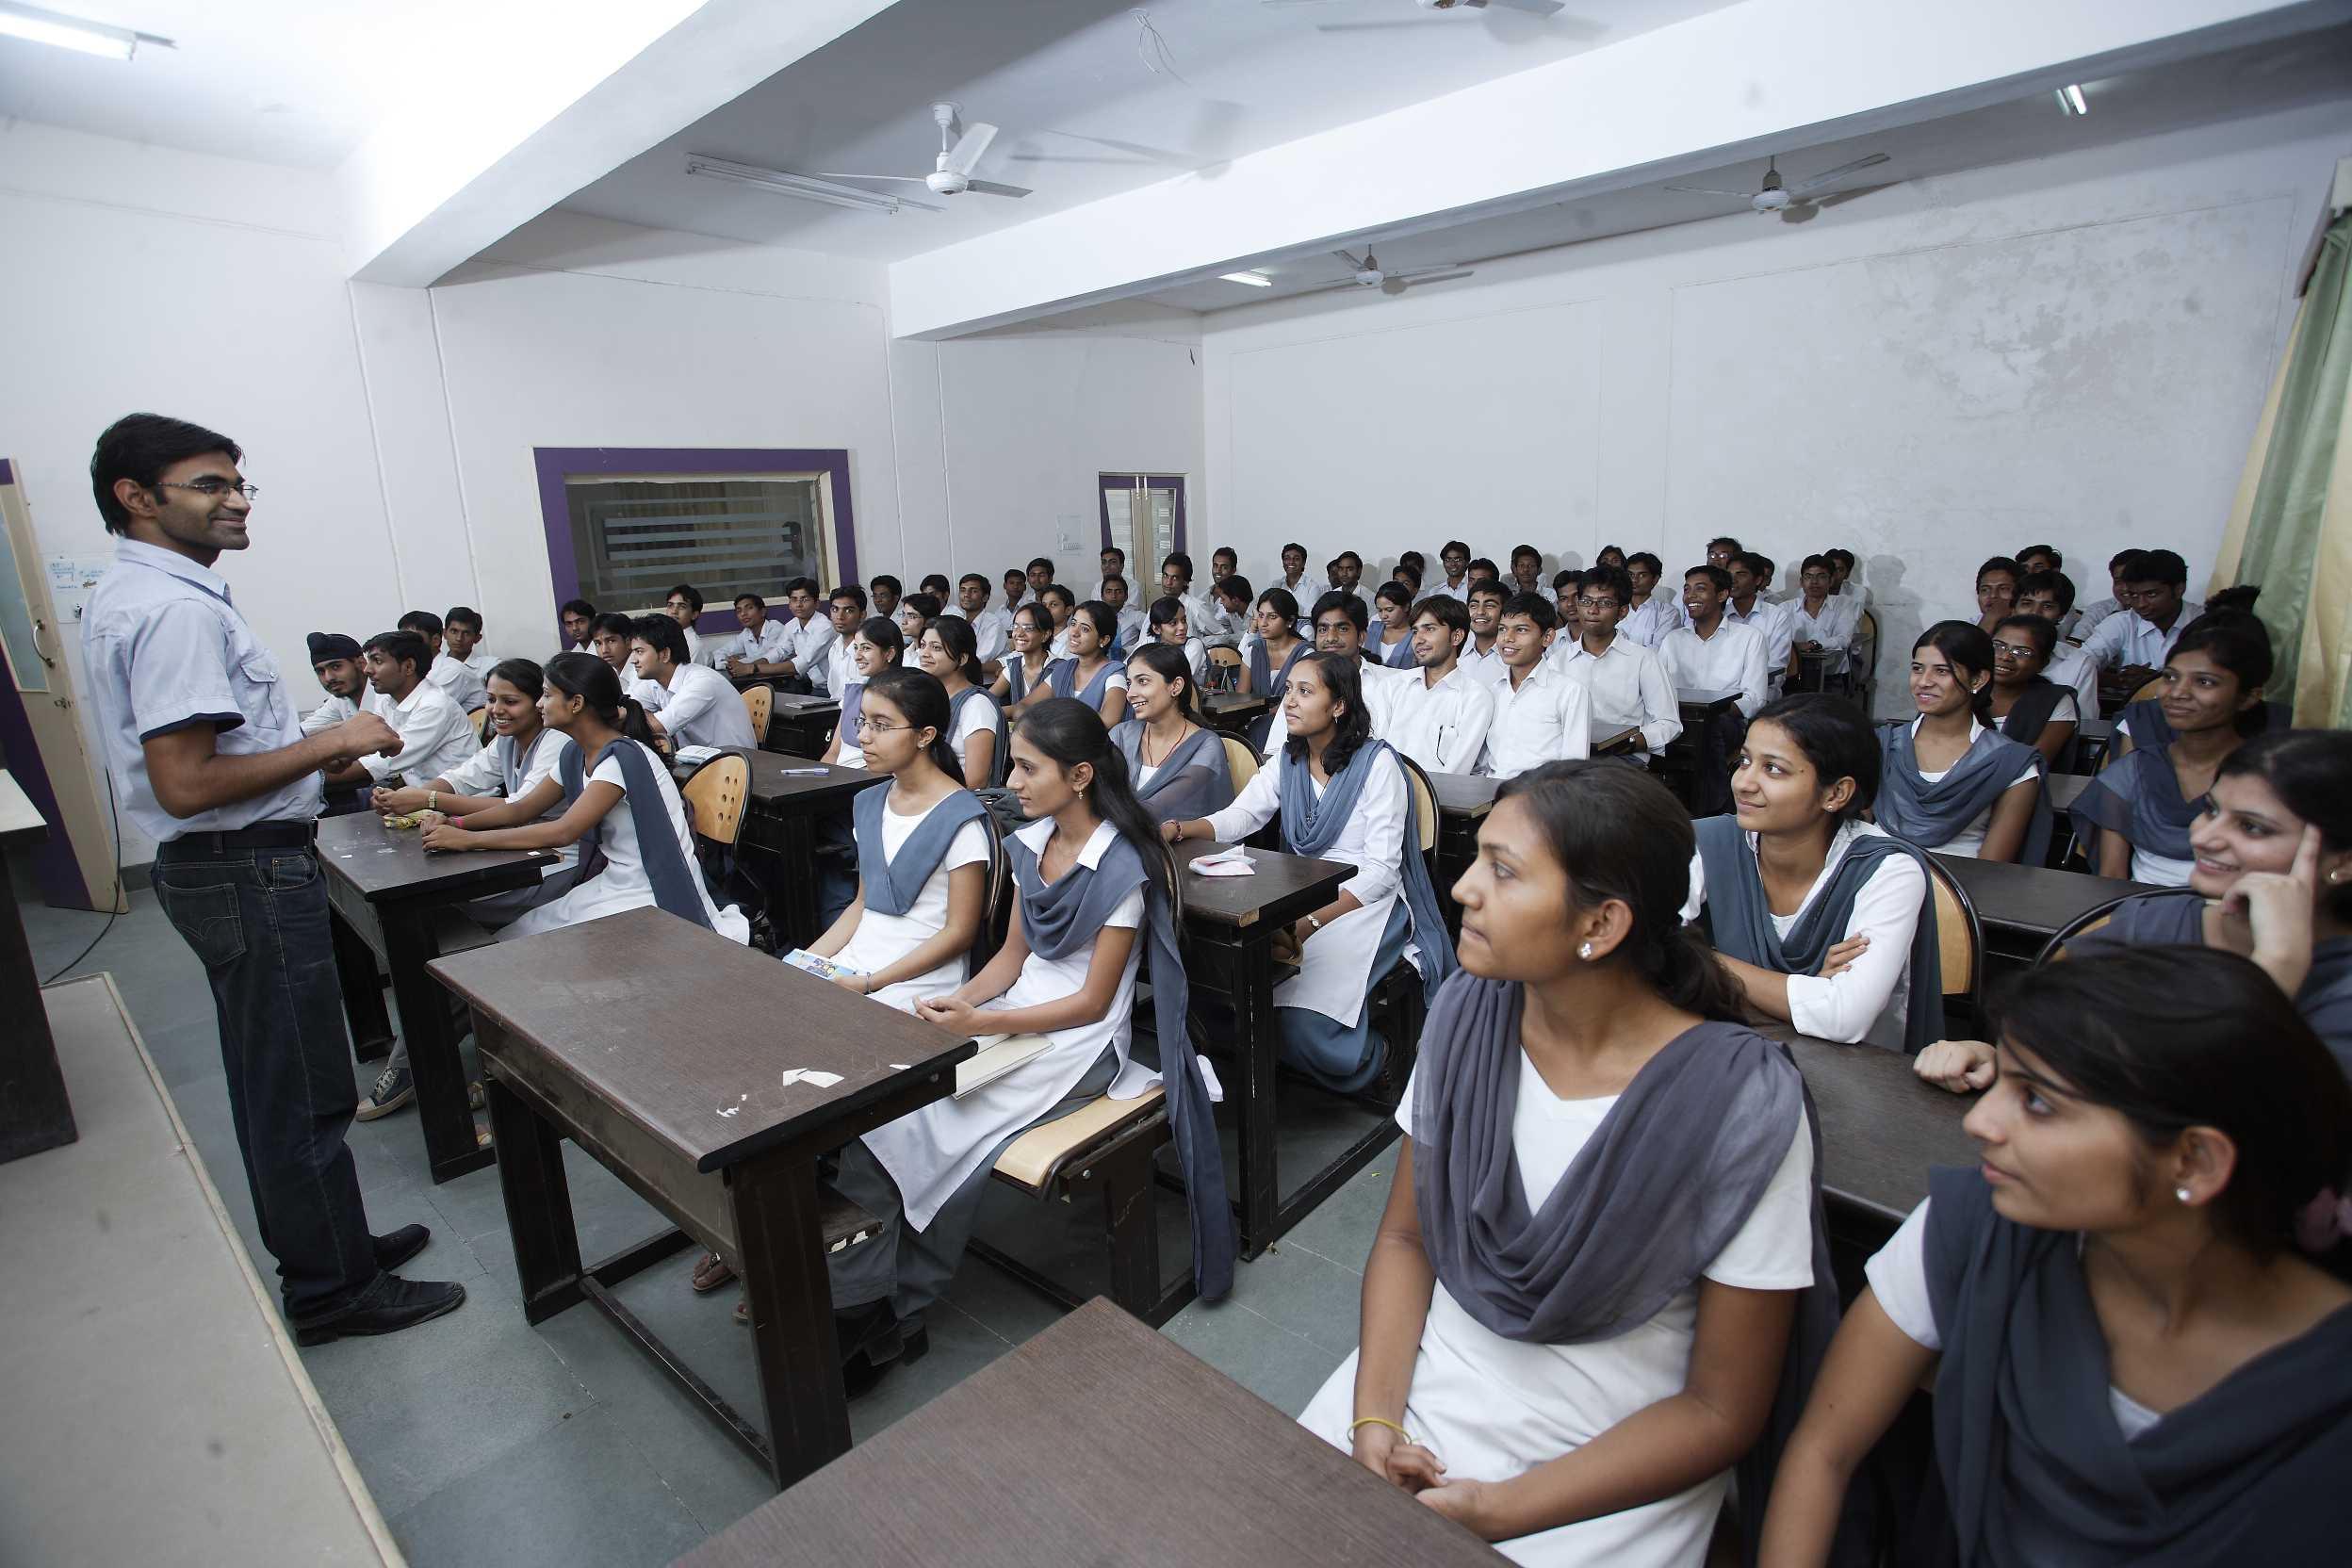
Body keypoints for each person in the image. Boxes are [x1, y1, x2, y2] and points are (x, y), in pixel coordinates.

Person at [1297, 760, 1833, 1567]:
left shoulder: (1737, 1105)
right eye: (1478, 859)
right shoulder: (1468, 1016)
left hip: (1605, 1464)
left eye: (1503, 872)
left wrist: (1503, 1511)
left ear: (1603, 924)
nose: (1463, 889)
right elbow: (1408, 1244)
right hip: (1422, 1392)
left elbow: (1720, 1410)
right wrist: (1374, 1421)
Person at [1759, 948, 2352, 1566]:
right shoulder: (1977, 1230)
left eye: (2038, 1102)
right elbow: (1824, 1451)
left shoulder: (2329, 1395)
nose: (1979, 1121)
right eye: (2003, 1079)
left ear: (2194, 1161)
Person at [82, 411, 464, 1344]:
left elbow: (212, 760)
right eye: (208, 485)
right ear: (136, 498)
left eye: (239, 482)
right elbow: (186, 783)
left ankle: (339, 1246)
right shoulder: (172, 607)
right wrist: (330, 739)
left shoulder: (156, 594)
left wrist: (301, 758)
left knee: (282, 1077)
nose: (237, 500)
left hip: (232, 863)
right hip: (242, 866)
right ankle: (333, 1289)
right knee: (298, 1085)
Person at [832, 699, 1235, 1383]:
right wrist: (964, 998)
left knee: (945, 1125)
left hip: (1076, 1045)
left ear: (1079, 776)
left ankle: (894, 1304)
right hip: (1020, 1018)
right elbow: (1011, 960)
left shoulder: (1123, 867)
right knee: (887, 1114)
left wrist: (980, 1027)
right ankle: (866, 1301)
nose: (1010, 783)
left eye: (1026, 768)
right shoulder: (1030, 842)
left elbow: (1091, 1001)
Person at [1919, 729, 2352, 1094]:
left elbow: (2210, 1116)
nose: (2203, 838)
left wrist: (2274, 975)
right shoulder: (2149, 922)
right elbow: (2060, 1043)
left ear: (2343, 861)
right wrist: (1998, 1057)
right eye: (2211, 810)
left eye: (2253, 828)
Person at [1167, 653, 1455, 1092]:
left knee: (1307, 1027)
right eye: (1289, 691)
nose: (1290, 703)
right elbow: (1244, 815)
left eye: (1305, 691)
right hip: (1302, 892)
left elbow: (1380, 870)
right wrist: (1183, 828)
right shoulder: (1289, 759)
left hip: (1365, 901)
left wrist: (1308, 922)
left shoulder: (1377, 766)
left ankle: (1382, 1057)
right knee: (1231, 1003)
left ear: (1338, 706)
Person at [358, 658, 581, 1119]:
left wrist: (429, 799)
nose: (497, 710)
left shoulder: (558, 743)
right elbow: (466, 776)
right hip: (511, 852)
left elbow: (520, 808)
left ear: (541, 704)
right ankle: (423, 1051)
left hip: (551, 865)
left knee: (453, 942)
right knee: (439, 931)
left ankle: (421, 1060)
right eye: (492, 700)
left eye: (510, 701)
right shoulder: (507, 742)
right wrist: (415, 797)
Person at [425, 654, 747, 942]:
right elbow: (522, 808)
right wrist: (456, 823)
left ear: (576, 704)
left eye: (547, 696)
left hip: (648, 887)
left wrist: (466, 840)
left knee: (537, 945)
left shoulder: (620, 759)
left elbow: (563, 831)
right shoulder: (574, 753)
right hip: (615, 880)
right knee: (519, 933)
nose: (539, 704)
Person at [1690, 694, 1937, 1054]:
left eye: (1773, 769)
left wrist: (1702, 958)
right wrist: (1807, 990)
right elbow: (1643, 955)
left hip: (1853, 1075)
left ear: (1836, 793)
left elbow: (1845, 1016)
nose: (1744, 782)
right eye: (1745, 761)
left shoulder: (1889, 869)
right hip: (1734, 1051)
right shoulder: (1707, 841)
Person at [2074, 614, 2271, 887]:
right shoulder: (2133, 771)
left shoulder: (2271, 777)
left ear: (2249, 697)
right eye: (2170, 677)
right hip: (2142, 916)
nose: (2177, 693)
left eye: (2204, 682)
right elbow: (2111, 878)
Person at [1873, 622, 2043, 863]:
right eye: (1918, 669)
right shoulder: (1883, 745)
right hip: (1877, 879)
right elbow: (1859, 830)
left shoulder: (2011, 764)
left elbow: (1992, 866)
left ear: (1978, 680)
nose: (1923, 681)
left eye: (1942, 671)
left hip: (1958, 889)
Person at [320, 630, 479, 793]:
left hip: (464, 806)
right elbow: (365, 745)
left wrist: (306, 778)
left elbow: (384, 762)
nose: (367, 670)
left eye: (378, 661)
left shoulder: (434, 705)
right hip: (424, 801)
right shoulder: (387, 702)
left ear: (408, 666)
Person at [1551, 566, 1681, 760]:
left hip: (1623, 756)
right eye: (1586, 601)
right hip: (1567, 755)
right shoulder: (1557, 661)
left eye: (1604, 603)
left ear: (1622, 612)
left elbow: (1668, 723)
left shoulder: (1643, 660)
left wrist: (1628, 742)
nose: (1593, 610)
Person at [1115, 642, 1234, 822]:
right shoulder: (1121, 735)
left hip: (1180, 846)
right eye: (1129, 683)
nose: (1130, 693)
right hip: (1116, 838)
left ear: (1176, 686)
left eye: (1143, 681)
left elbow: (1164, 806)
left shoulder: (1205, 746)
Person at [1480, 594, 1589, 779]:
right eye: (1502, 629)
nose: (1508, 638)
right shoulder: (1491, 691)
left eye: (1521, 630)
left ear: (1547, 637)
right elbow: (1483, 762)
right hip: (1491, 796)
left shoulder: (1569, 692)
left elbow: (1574, 767)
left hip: (1541, 799)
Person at [1387, 596, 1495, 776]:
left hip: (1438, 800)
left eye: (1429, 629)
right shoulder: (1393, 686)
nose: (1418, 640)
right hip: (1386, 795)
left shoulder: (1475, 697)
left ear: (1456, 636)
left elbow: (1456, 771)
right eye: (1415, 631)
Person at [2081, 547, 2203, 691]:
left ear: (2178, 590)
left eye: (2151, 594)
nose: (2140, 604)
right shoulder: (2121, 623)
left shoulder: (2207, 624)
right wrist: (2119, 680)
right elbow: (2078, 666)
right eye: (2133, 595)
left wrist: (2157, 681)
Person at [1657, 565, 1768, 719]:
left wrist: (1711, 714)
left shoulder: (1749, 637)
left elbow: (1754, 698)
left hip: (1725, 719)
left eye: (1700, 589)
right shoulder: (1673, 639)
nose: (1690, 596)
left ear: (1722, 595)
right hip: (1678, 719)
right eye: (1687, 590)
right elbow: (1657, 689)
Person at [632, 614, 755, 752]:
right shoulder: (655, 682)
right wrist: (633, 714)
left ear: (665, 654)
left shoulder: (702, 682)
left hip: (736, 764)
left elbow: (655, 727)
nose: (633, 660)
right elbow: (624, 708)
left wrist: (635, 715)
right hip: (700, 761)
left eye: (639, 652)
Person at [918, 615, 1004, 789]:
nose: (924, 653)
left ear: (962, 659)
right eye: (922, 645)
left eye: (936, 648)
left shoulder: (977, 705)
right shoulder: (929, 699)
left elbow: (976, 780)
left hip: (959, 804)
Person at [1984, 613, 2077, 769]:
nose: (2006, 656)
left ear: (2043, 663)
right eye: (1998, 646)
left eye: (2022, 652)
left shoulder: (2053, 701)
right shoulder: (1965, 692)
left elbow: (2034, 763)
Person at [823, 616, 906, 771]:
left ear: (889, 653)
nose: (857, 656)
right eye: (856, 648)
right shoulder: (854, 692)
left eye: (866, 648)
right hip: (839, 778)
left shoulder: (902, 697)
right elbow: (833, 753)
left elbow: (894, 761)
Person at [2013, 568, 2099, 718]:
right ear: (2013, 609)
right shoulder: (1991, 653)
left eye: (2047, 606)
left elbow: (2084, 722)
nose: (2035, 612)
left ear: (2061, 615)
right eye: (2027, 603)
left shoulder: (2079, 663)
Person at [1039, 601, 1129, 727]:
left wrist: (1057, 725)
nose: (1074, 633)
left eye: (1084, 629)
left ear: (1103, 640)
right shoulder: (1064, 669)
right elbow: (1026, 705)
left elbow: (1108, 720)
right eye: (1073, 624)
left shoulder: (1114, 674)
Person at [1723, 553, 1794, 698]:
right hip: (1723, 693)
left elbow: (1777, 668)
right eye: (1728, 574)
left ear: (1758, 580)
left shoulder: (1777, 616)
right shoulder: (1719, 614)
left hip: (1762, 695)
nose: (1733, 580)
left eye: (1741, 574)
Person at [751, 578, 834, 691]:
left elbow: (800, 664)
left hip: (833, 690)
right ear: (789, 604)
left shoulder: (825, 627)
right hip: (815, 687)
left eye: (804, 599)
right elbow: (779, 650)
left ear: (817, 603)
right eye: (794, 599)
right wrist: (752, 665)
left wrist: (754, 668)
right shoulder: (792, 625)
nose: (799, 604)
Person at [398, 609, 487, 711]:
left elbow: (423, 712)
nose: (404, 645)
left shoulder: (453, 671)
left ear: (435, 640)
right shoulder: (413, 670)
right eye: (401, 639)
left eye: (412, 639)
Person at [1786, 555, 1854, 680]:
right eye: (1808, 576)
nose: (1814, 582)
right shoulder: (1785, 609)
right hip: (1794, 677)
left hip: (1833, 677)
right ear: (1801, 582)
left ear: (1831, 581)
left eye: (1821, 576)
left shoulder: (1844, 604)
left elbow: (1844, 639)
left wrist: (1812, 645)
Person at [301, 631, 373, 735]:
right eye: (321, 671)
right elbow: (300, 732)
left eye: (336, 667)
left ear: (361, 663)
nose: (329, 677)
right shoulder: (339, 700)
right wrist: (338, 728)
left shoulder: (388, 693)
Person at [1244, 587, 1312, 697]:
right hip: (1255, 714)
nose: (1263, 623)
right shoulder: (1253, 650)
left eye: (1272, 617)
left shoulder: (1305, 654)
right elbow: (1240, 699)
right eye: (1261, 616)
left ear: (1290, 621)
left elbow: (1306, 699)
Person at [990, 601, 1057, 710]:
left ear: (1045, 635)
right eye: (1016, 627)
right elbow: (989, 698)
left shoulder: (1057, 669)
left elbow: (1025, 709)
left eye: (1028, 628)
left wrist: (991, 713)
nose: (1019, 634)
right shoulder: (1014, 666)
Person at [2068, 547, 2144, 643]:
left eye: (2131, 580)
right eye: (2118, 581)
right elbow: (2075, 643)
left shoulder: (2160, 614)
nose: (2125, 588)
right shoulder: (2098, 611)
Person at [717, 592, 790, 677]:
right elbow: (720, 653)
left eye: (749, 608)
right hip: (758, 679)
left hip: (783, 679)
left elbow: (767, 658)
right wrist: (730, 663)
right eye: (739, 611)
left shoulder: (775, 628)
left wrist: (740, 662)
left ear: (762, 612)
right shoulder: (746, 633)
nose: (743, 614)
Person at [1148, 594, 1211, 691]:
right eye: (1173, 623)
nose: (1182, 627)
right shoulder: (1150, 643)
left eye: (1184, 620)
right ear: (1156, 629)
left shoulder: (1194, 645)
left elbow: (1178, 678)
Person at [1620, 552, 1679, 648]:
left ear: (1655, 579)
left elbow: (1659, 650)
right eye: (1630, 575)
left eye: (1642, 575)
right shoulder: (1615, 608)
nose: (1634, 580)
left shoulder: (1667, 612)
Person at [957, 572, 1011, 676]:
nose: (966, 595)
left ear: (985, 597)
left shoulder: (993, 624)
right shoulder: (960, 622)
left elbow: (979, 659)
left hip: (985, 686)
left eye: (973, 591)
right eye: (963, 590)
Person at [817, 585, 866, 697]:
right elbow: (834, 694)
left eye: (848, 610)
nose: (840, 616)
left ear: (862, 615)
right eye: (835, 609)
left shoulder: (868, 650)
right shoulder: (834, 648)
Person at [1457, 580, 1508, 684]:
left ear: (1505, 612)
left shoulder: (1513, 658)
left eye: (1489, 605)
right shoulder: (1457, 652)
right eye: (1473, 606)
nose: (1480, 612)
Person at [1968, 555, 2022, 634]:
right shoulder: (1967, 627)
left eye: (2003, 589)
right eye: (1985, 590)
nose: (1993, 595)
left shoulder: (2030, 627)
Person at [444, 606, 496, 682]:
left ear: (477, 638)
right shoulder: (432, 666)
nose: (459, 638)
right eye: (454, 631)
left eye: (466, 633)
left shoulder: (490, 666)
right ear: (444, 633)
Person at [1373, 582, 1418, 669]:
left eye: (1389, 610)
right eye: (1380, 610)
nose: (1383, 616)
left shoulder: (1417, 635)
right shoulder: (1373, 629)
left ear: (1406, 607)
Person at [662, 583, 707, 667]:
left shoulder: (694, 645)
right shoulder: (664, 637)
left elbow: (688, 678)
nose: (674, 611)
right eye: (670, 605)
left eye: (682, 606)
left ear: (694, 615)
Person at [1102, 574, 1146, 655]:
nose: (1113, 596)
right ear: (1102, 596)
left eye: (1118, 592)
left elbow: (1153, 634)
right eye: (1109, 591)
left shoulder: (1136, 616)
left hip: (1126, 661)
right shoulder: (1095, 617)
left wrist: (1129, 651)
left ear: (1126, 596)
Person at [1277, 541, 1326, 608]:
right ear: (1283, 562)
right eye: (1287, 558)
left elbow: (1309, 616)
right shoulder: (1275, 585)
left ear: (1303, 563)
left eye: (1296, 559)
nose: (1291, 562)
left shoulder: (1312, 587)